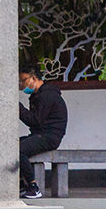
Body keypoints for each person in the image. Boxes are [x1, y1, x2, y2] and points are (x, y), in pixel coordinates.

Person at [17, 60, 67, 200]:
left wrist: (18, 109)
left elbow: (36, 121)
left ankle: (33, 187)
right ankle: (21, 185)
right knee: (11, 146)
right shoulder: (36, 95)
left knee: (19, 149)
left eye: (23, 81)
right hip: (40, 134)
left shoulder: (47, 96)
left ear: (33, 78)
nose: (22, 85)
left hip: (50, 136)